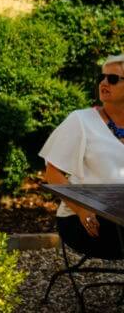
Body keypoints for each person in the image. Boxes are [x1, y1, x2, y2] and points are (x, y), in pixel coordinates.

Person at [39, 53, 124, 259]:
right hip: (87, 220)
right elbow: (53, 173)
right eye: (101, 78)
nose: (104, 83)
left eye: (112, 79)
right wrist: (82, 210)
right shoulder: (81, 120)